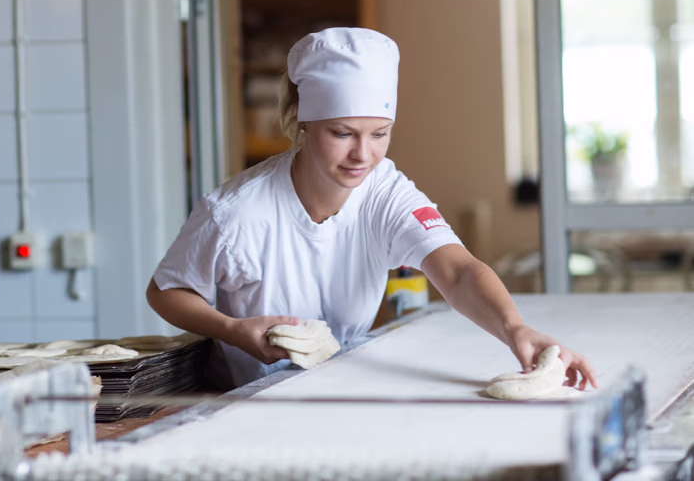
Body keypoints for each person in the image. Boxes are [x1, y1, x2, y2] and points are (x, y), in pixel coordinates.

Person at [147, 27, 598, 390]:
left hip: (344, 385)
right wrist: (230, 328)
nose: (363, 154)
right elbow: (166, 290)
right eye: (342, 133)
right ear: (303, 122)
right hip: (249, 402)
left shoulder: (385, 192)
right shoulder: (237, 213)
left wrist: (514, 328)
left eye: (379, 133)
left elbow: (458, 272)